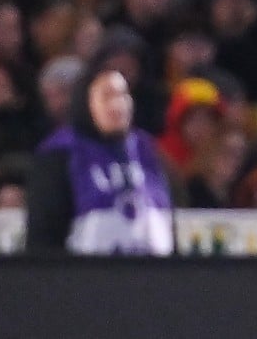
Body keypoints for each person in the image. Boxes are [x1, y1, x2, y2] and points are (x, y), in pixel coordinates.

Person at [25, 69, 174, 255]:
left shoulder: (147, 150)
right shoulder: (60, 153)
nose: (117, 105)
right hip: (85, 271)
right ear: (85, 102)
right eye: (107, 96)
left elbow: (167, 221)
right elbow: (44, 235)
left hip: (151, 270)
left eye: (122, 95)